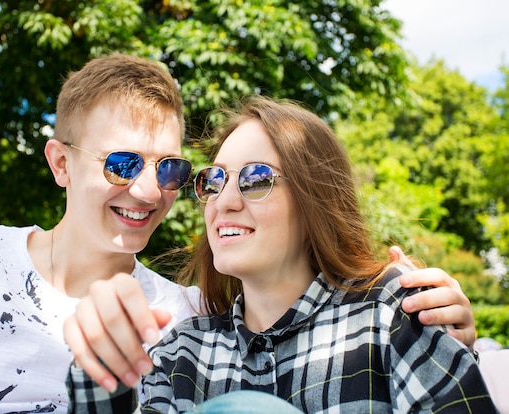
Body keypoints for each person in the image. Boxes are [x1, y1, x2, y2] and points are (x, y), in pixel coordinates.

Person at [0, 54, 475, 412]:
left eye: (170, 169)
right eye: (121, 163)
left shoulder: (179, 318)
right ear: (61, 163)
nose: (148, 191)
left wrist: (444, 323)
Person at [68, 95, 496, 413]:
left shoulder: (392, 313)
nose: (224, 201)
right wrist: (100, 366)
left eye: (256, 179)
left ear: (316, 200)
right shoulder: (182, 353)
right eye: (213, 181)